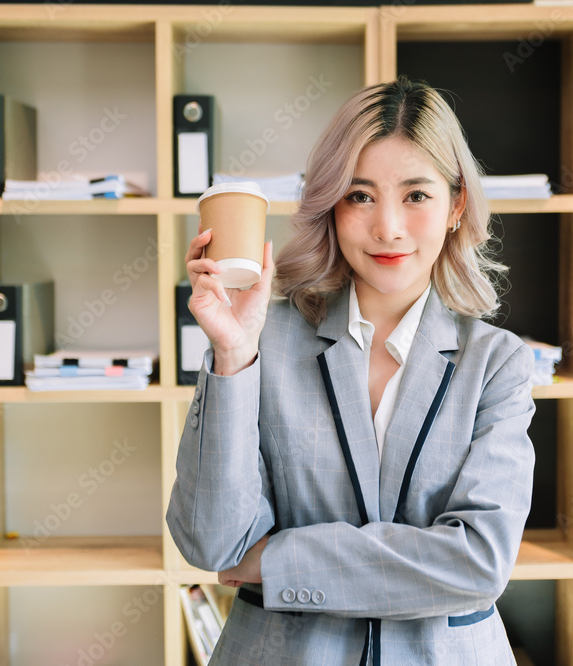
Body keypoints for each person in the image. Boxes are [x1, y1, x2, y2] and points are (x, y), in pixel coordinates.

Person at [167, 76, 536, 665]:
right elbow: (212, 542)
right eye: (360, 196)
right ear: (330, 205)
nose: (387, 226)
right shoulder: (266, 340)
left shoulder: (498, 363)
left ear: (455, 204)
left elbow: (479, 563)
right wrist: (234, 358)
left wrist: (279, 562)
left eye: (416, 195)